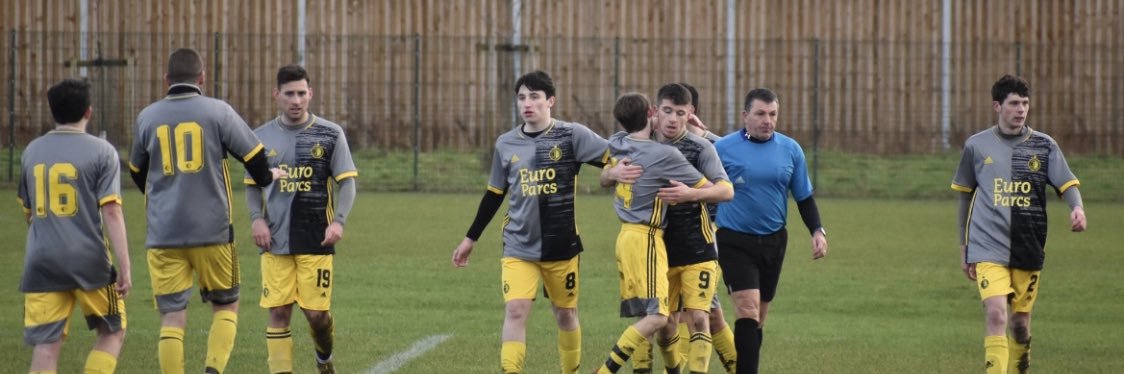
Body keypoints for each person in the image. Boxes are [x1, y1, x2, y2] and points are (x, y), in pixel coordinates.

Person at [129, 48, 282, 374]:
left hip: (163, 233)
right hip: (213, 231)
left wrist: (162, 197)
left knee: (172, 317)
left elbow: (137, 171)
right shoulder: (218, 111)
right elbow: (254, 156)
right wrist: (267, 177)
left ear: (166, 80)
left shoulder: (147, 117)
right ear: (202, 77)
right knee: (226, 306)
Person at [450, 70, 609, 374]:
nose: (527, 103)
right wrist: (470, 238)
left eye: (534, 97)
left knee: (565, 314)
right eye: (522, 97)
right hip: (518, 245)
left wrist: (616, 171)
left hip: (562, 247)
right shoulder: (506, 143)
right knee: (515, 310)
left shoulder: (572, 135)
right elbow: (494, 194)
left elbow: (614, 156)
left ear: (551, 101)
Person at [951, 74, 1086, 374]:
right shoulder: (976, 146)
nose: (1021, 109)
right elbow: (964, 198)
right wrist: (964, 247)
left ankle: (1020, 365)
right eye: (1014, 103)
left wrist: (1077, 207)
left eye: (1025, 103)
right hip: (987, 246)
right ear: (997, 106)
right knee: (996, 314)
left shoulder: (1044, 145)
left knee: (1019, 324)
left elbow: (1067, 183)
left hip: (1028, 245)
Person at [601, 84, 733, 373]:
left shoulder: (700, 147)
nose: (673, 119)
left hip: (697, 245)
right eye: (668, 111)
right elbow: (605, 173)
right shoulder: (635, 142)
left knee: (701, 317)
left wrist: (691, 194)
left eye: (680, 113)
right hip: (658, 248)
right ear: (654, 112)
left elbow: (726, 190)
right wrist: (611, 173)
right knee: (664, 324)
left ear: (690, 114)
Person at [246, 64, 358, 374]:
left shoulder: (330, 133)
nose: (296, 100)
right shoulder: (260, 137)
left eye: (301, 93)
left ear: (310, 93)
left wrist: (339, 221)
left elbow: (347, 182)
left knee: (316, 316)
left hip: (316, 238)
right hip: (275, 239)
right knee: (278, 312)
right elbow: (252, 185)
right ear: (276, 95)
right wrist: (256, 219)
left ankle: (324, 358)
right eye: (289, 94)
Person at [18, 79, 132, 374]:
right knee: (112, 331)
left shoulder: (31, 151)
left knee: (46, 345)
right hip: (90, 262)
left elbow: (29, 213)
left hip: (42, 262)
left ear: (52, 111)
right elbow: (111, 211)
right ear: (88, 112)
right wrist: (125, 266)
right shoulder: (102, 152)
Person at [713, 87, 828, 374]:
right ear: (745, 115)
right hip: (733, 240)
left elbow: (803, 197)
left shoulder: (791, 149)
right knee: (747, 309)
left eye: (773, 114)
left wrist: (817, 230)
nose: (768, 120)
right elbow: (704, 188)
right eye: (761, 114)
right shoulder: (723, 149)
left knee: (758, 318)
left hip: (774, 241)